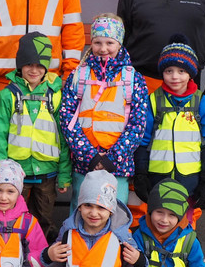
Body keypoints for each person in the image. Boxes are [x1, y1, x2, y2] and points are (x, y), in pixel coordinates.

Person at [58, 14, 148, 207]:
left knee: (115, 212)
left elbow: (138, 125)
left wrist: (111, 158)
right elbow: (67, 118)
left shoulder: (134, 79)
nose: (103, 48)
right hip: (84, 164)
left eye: (110, 42)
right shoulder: (78, 76)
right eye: (97, 42)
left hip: (118, 165)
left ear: (119, 43)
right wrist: (89, 156)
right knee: (82, 211)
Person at [0, 32, 71, 239]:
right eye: (28, 65)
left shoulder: (57, 95)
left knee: (44, 219)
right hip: (15, 174)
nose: (34, 70)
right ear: (20, 65)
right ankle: (14, 251)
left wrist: (64, 174)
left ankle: (41, 254)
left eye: (39, 65)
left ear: (47, 67)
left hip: (47, 173)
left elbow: (64, 138)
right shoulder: (7, 96)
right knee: (12, 218)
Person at [133, 35, 205, 221]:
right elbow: (142, 139)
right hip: (157, 177)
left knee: (185, 222)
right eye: (169, 71)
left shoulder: (203, 104)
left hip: (190, 179)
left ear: (191, 73)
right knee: (157, 221)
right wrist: (140, 174)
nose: (175, 76)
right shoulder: (152, 102)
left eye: (181, 71)